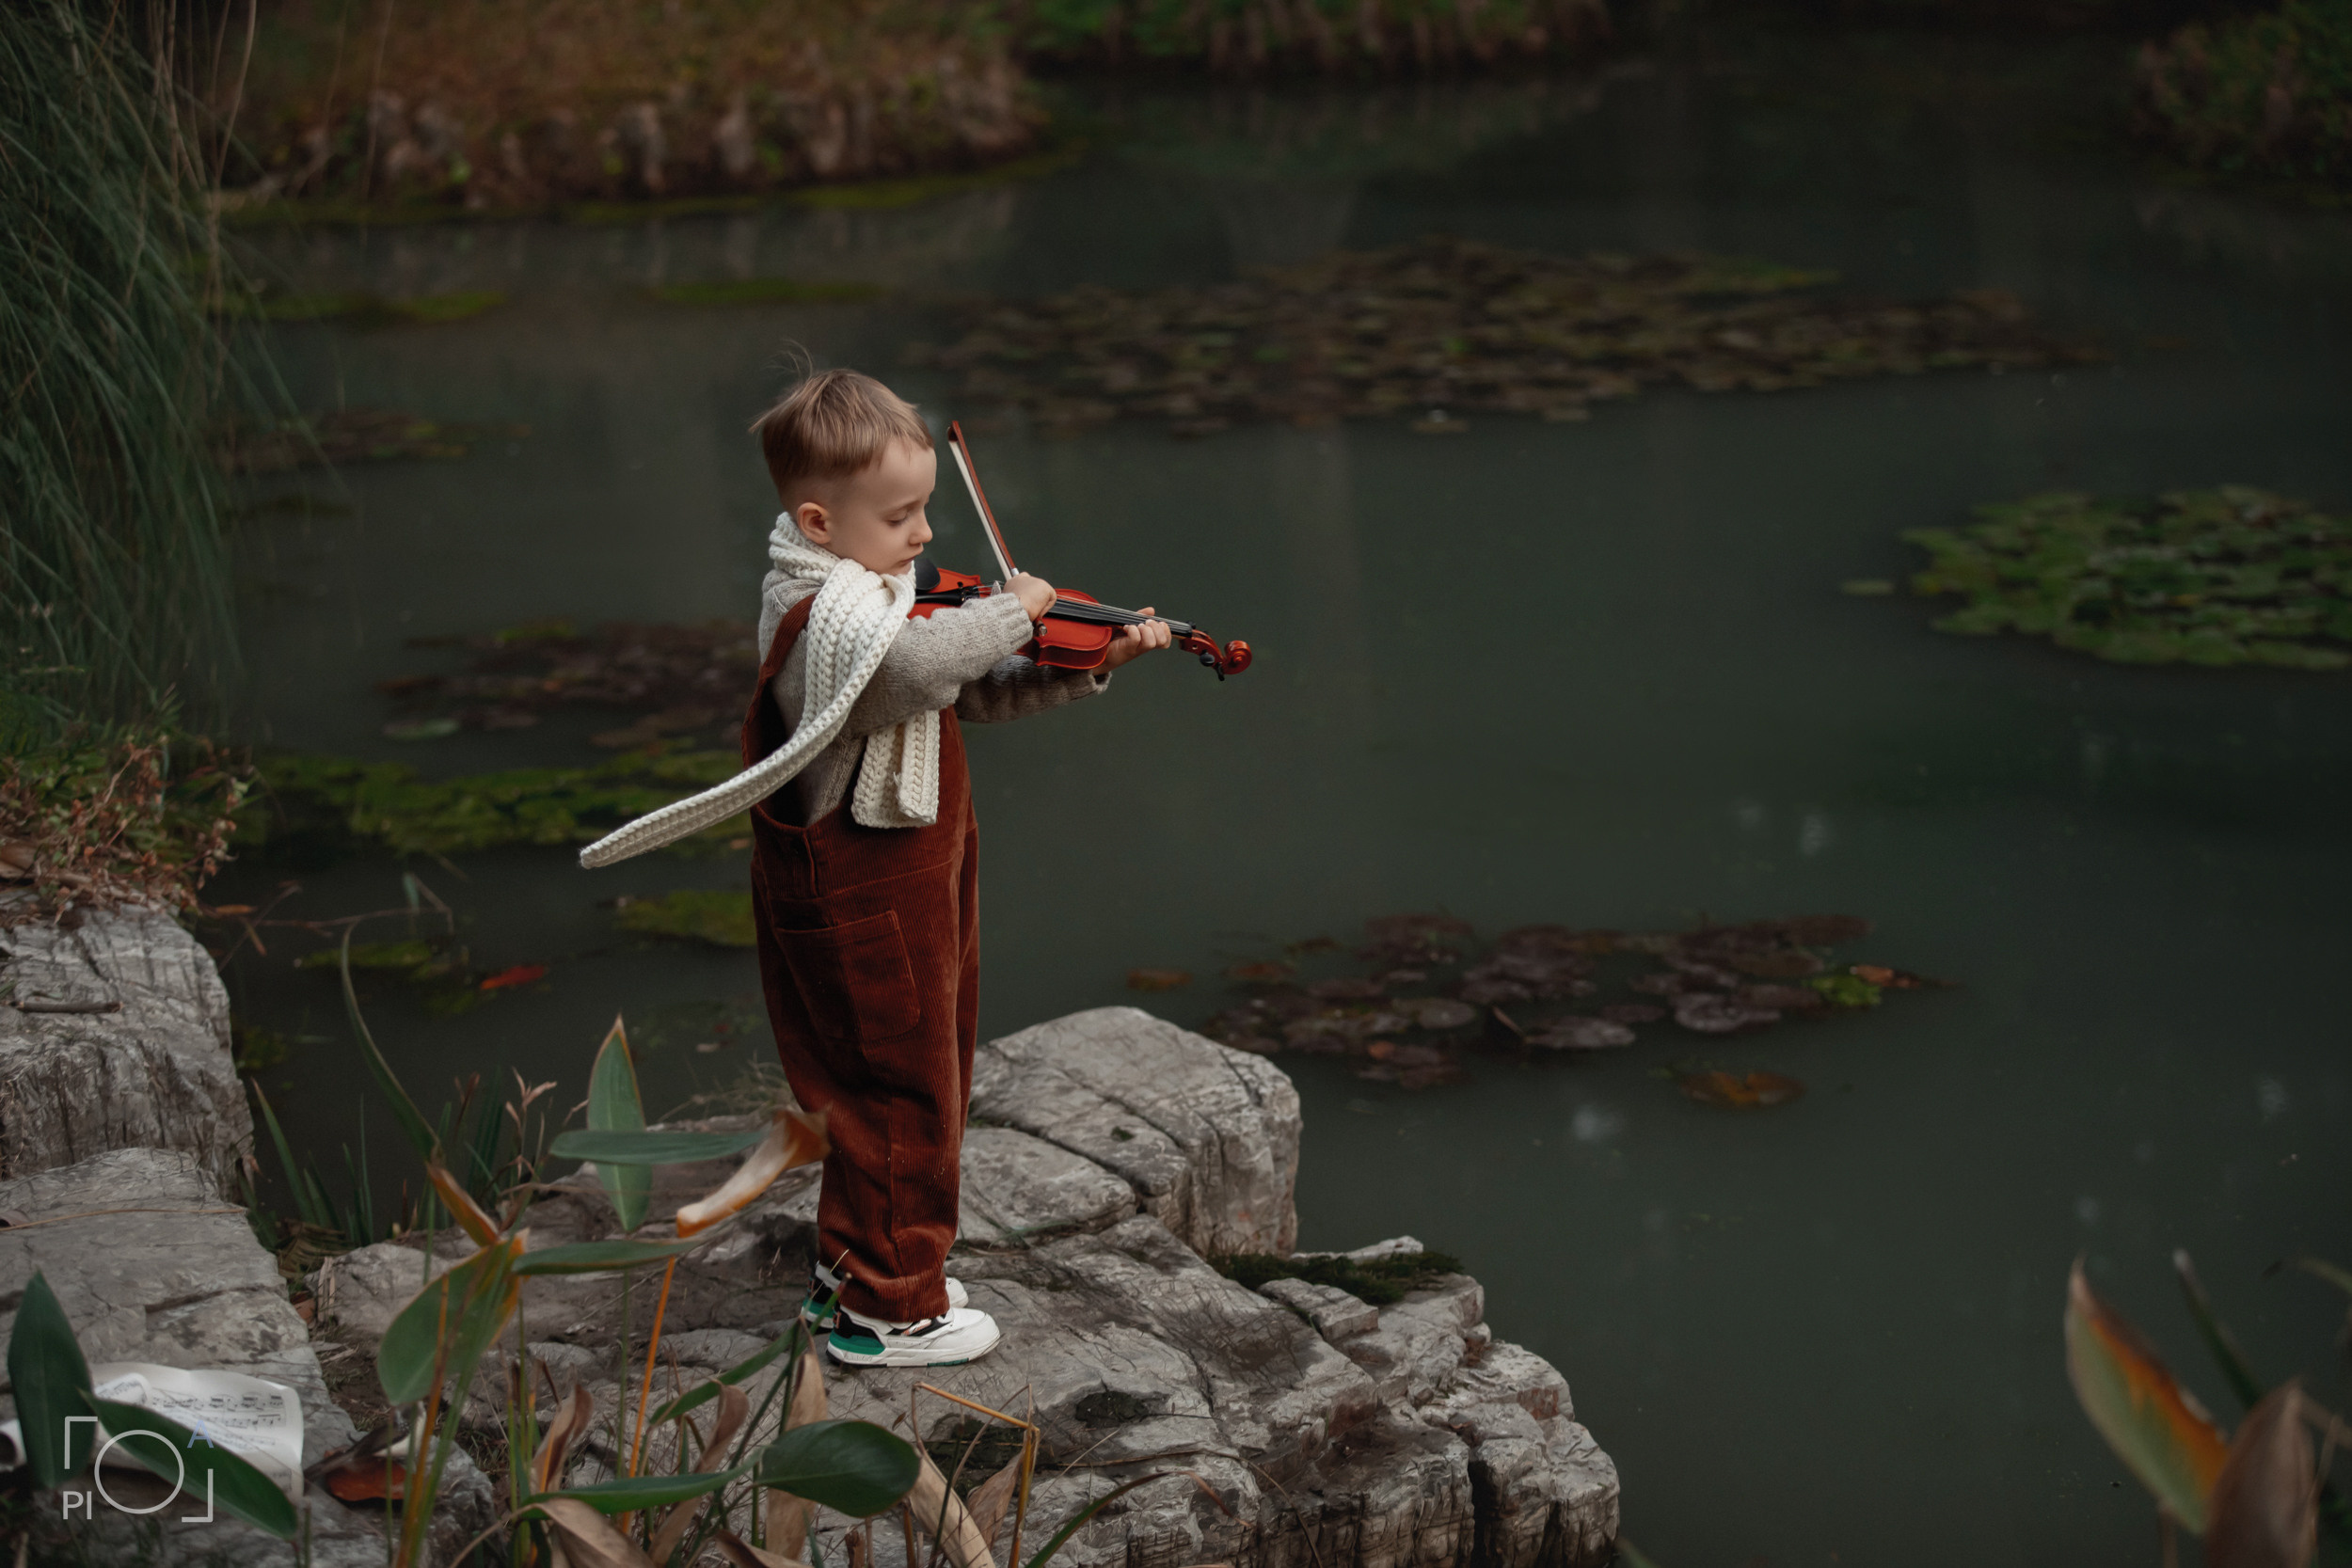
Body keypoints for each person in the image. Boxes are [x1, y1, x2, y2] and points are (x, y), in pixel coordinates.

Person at [579, 370, 1168, 1368]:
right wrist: (1016, 612)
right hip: (860, 886)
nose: (927, 533)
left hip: (915, 868)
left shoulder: (877, 592)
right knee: (897, 1084)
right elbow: (909, 672)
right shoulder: (823, 616)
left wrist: (1092, 660)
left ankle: (855, 1268)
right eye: (901, 514)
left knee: (921, 1062)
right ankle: (890, 1307)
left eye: (929, 507)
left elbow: (963, 694)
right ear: (818, 519)